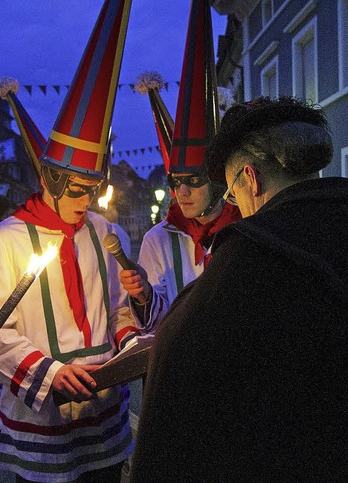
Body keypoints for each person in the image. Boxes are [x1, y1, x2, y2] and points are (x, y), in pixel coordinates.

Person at [132, 96, 348, 481]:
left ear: (250, 177)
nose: (235, 203)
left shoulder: (252, 253)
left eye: (230, 193)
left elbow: (179, 393)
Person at [0, 1, 138, 480]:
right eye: (80, 191)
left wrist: (130, 342)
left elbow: (117, 310)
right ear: (53, 181)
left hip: (104, 411)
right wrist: (49, 372)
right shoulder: (5, 240)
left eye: (93, 190)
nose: (89, 201)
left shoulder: (105, 232)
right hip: (42, 416)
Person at [119, 0, 240, 334]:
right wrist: (143, 297)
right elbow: (158, 324)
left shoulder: (248, 226)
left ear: (217, 178)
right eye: (174, 181)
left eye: (193, 179)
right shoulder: (157, 240)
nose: (180, 192)